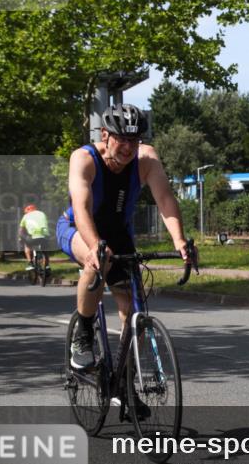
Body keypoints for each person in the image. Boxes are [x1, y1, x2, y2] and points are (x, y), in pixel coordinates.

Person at [56, 104, 194, 371]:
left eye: (134, 140)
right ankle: (83, 334)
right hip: (76, 227)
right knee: (96, 261)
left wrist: (179, 240)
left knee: (135, 313)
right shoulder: (83, 158)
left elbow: (165, 199)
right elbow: (82, 209)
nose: (128, 148)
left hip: (119, 233)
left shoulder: (146, 160)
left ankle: (126, 381)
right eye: (122, 139)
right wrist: (95, 245)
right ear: (105, 136)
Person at [19, 204, 50, 268]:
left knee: (27, 245)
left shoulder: (25, 216)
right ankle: (47, 267)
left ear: (27, 211)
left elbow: (21, 230)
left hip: (33, 237)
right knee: (45, 250)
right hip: (45, 236)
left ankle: (30, 263)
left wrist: (21, 238)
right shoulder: (42, 213)